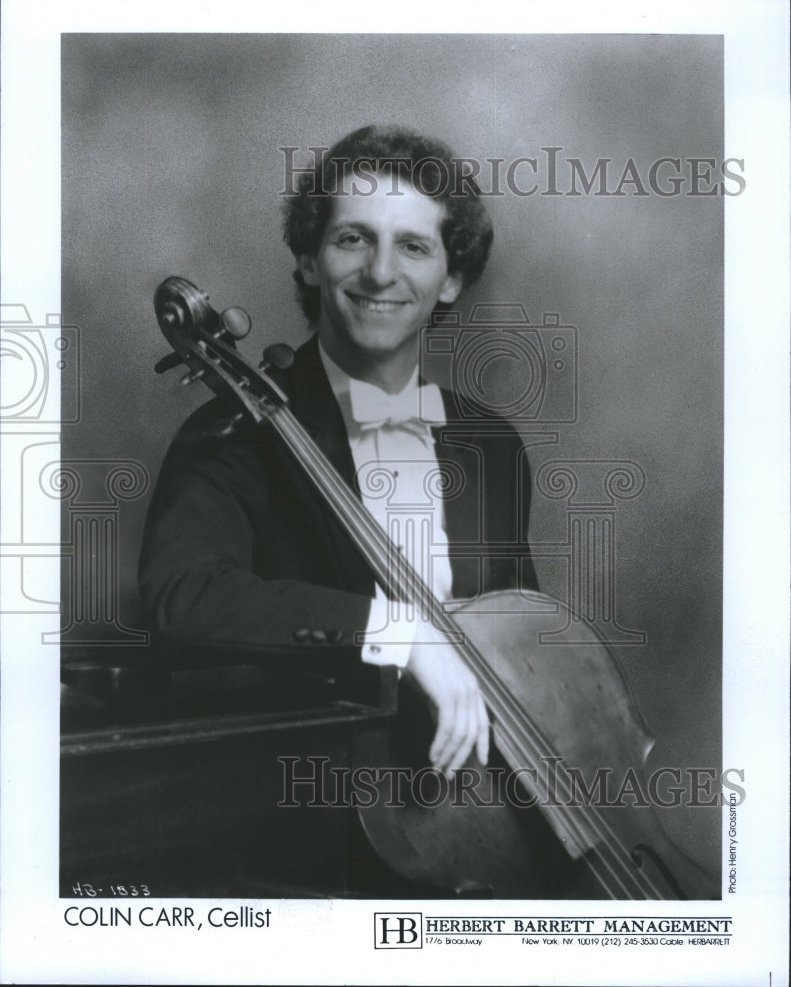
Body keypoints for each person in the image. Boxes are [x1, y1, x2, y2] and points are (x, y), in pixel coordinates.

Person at [139, 124, 540, 782]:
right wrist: (399, 634)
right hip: (310, 807)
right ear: (307, 259)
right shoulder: (234, 433)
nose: (380, 272)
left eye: (412, 246)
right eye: (352, 239)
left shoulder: (488, 445)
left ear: (449, 279)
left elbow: (520, 638)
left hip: (480, 812)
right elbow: (183, 597)